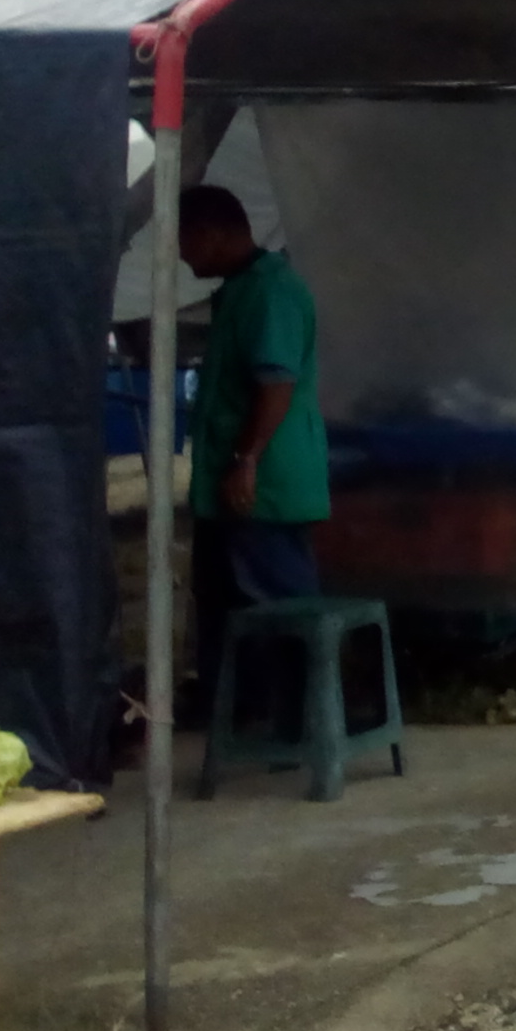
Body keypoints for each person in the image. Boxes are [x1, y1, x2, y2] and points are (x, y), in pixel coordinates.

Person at [175, 186, 327, 727]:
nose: (181, 255)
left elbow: (276, 385)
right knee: (222, 601)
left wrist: (246, 458)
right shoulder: (239, 289)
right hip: (230, 484)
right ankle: (237, 712)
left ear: (212, 233)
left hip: (265, 484)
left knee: (277, 605)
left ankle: (299, 718)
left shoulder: (270, 292)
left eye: (184, 240)